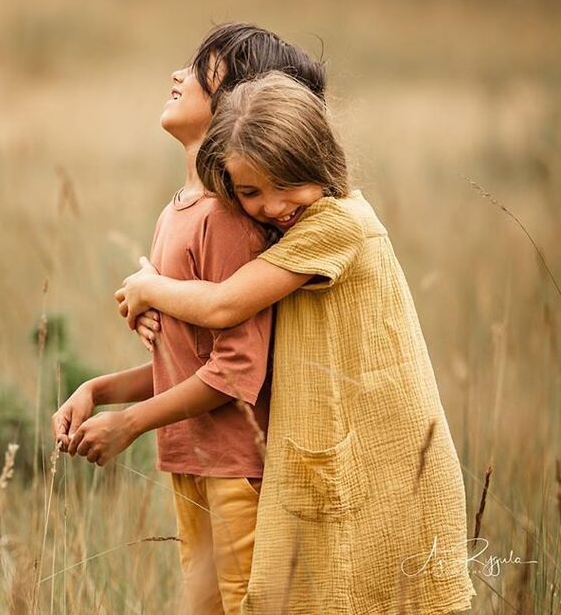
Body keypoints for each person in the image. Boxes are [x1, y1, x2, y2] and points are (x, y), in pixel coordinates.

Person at [115, 71, 476, 614]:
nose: (273, 205)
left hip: (394, 459)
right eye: (251, 192)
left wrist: (147, 287)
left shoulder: (339, 224)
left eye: (288, 185)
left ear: (321, 164)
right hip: (347, 452)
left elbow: (222, 305)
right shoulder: (292, 232)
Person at [51, 23, 326, 615]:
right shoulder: (177, 212)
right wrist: (97, 390)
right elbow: (188, 364)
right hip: (193, 463)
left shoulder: (226, 220)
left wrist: (131, 424)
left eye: (203, 68)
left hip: (236, 473)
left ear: (241, 106)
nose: (178, 75)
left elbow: (234, 369)